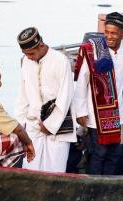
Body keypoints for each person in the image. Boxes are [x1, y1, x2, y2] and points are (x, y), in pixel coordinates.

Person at [74, 12, 123, 175]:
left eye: (113, 33)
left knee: (114, 153)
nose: (109, 36)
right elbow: (81, 83)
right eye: (106, 32)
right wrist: (81, 111)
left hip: (116, 113)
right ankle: (94, 187)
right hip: (96, 113)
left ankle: (107, 186)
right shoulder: (95, 50)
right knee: (98, 154)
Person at [14, 27, 76, 173]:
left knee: (55, 172)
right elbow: (22, 96)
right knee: (29, 170)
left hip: (58, 125)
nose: (28, 57)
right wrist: (18, 125)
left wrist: (50, 125)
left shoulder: (60, 61)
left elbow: (65, 96)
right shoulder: (26, 61)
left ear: (41, 45)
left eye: (31, 53)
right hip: (33, 125)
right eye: (25, 54)